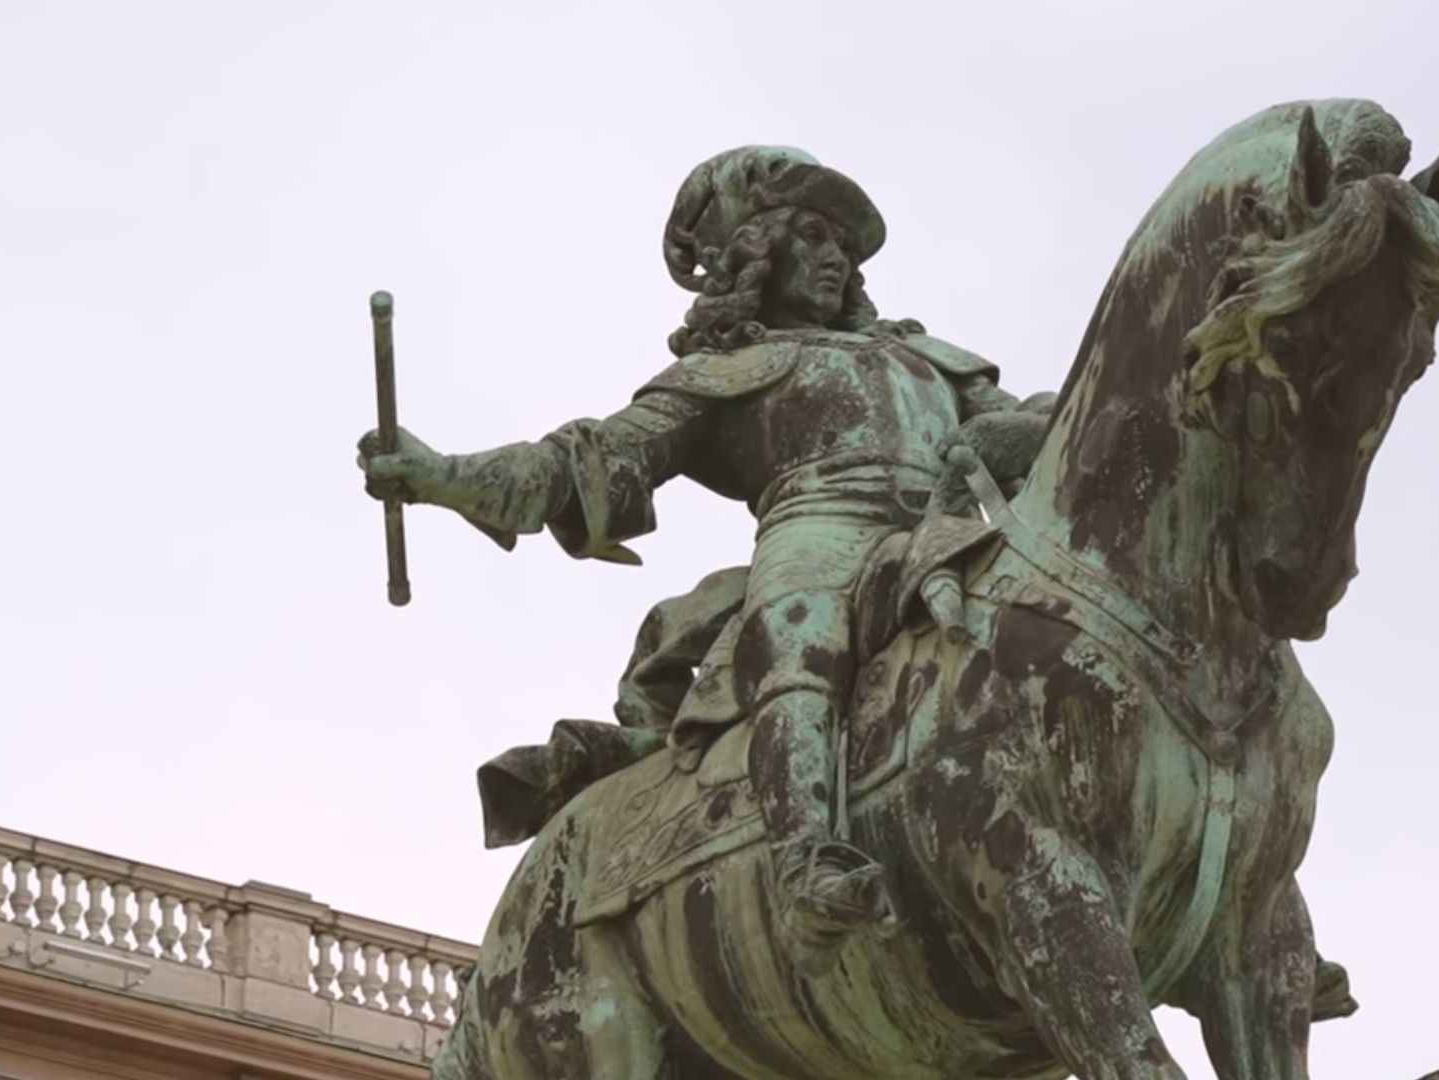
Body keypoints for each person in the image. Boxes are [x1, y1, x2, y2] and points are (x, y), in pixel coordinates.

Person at [358, 146, 1048, 962]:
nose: (837, 258)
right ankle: (807, 857)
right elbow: (583, 462)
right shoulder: (724, 373)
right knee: (799, 631)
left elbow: (1032, 432)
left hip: (952, 523)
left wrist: (1040, 425)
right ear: (756, 253)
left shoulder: (925, 356)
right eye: (816, 236)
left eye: (844, 246)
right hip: (821, 529)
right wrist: (442, 476)